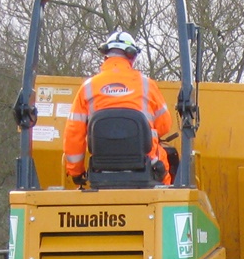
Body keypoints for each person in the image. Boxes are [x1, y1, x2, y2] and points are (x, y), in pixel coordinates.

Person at [63, 30, 176, 186]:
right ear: (132, 56)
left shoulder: (87, 88)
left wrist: (76, 172)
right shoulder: (147, 85)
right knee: (166, 165)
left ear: (106, 55)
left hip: (101, 170)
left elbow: (73, 135)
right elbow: (164, 126)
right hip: (145, 168)